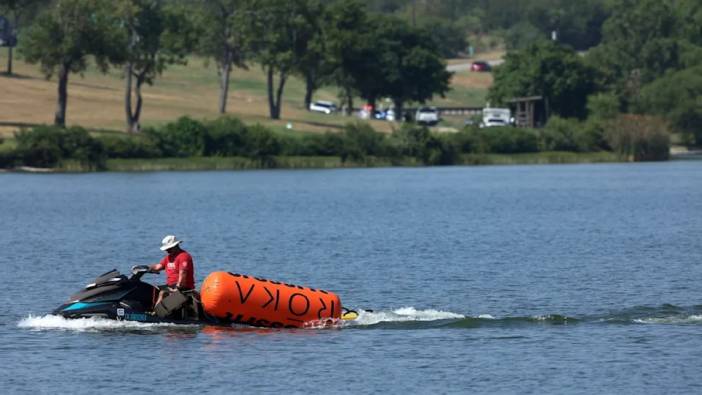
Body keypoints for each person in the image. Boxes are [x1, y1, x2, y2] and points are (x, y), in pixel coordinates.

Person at [149, 235, 195, 309]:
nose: (167, 251)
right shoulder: (168, 257)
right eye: (166, 249)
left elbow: (183, 274)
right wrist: (146, 268)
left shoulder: (184, 256)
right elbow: (158, 267)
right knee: (154, 289)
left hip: (184, 288)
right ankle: (151, 309)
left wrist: (177, 288)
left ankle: (156, 313)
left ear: (175, 246)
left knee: (163, 293)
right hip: (170, 286)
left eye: (169, 249)